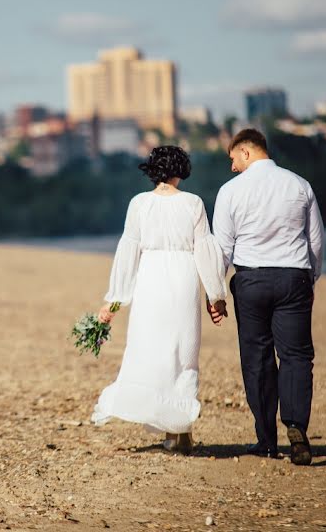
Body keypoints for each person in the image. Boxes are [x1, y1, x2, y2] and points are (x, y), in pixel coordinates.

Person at [92, 146, 228, 455]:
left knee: (151, 350)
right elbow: (205, 251)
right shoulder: (192, 203)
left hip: (150, 280)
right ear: (181, 169)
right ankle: (181, 429)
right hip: (183, 279)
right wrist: (216, 296)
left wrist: (114, 301)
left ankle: (173, 430)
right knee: (183, 353)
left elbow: (129, 253)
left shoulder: (139, 203)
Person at [210, 129, 324, 465]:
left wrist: (215, 293)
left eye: (232, 158)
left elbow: (222, 249)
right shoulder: (299, 185)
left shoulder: (230, 191)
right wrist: (311, 279)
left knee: (256, 358)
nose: (231, 166)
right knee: (296, 356)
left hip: (251, 280)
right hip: (293, 277)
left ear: (246, 152)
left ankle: (267, 440)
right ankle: (296, 426)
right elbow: (315, 241)